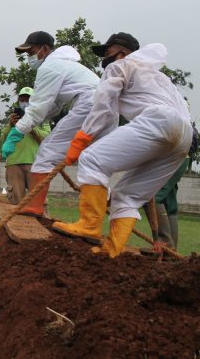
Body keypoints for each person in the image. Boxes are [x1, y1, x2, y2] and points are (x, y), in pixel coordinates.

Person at [53, 34, 192, 258]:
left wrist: (81, 139)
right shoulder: (161, 78)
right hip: (184, 138)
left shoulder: (121, 66)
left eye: (108, 53)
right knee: (127, 195)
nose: (105, 59)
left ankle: (89, 225)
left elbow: (103, 105)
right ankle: (111, 250)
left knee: (91, 159)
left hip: (159, 122)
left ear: (124, 53)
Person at [0, 31, 100, 217]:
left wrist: (16, 133)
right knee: (94, 159)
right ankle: (92, 222)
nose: (29, 58)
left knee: (46, 152)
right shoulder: (66, 65)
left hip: (88, 103)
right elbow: (53, 107)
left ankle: (35, 207)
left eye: (31, 52)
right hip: (105, 105)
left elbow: (38, 108)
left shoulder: (50, 66)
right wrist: (27, 123)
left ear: (44, 49)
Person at [0, 87, 51, 204]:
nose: (24, 103)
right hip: (14, 164)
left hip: (35, 163)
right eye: (22, 100)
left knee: (39, 201)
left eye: (28, 100)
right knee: (16, 202)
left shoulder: (41, 118)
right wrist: (10, 125)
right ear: (18, 101)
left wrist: (31, 127)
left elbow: (47, 139)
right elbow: (2, 143)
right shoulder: (12, 119)